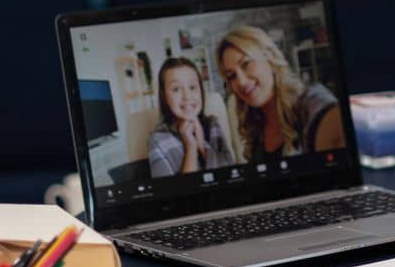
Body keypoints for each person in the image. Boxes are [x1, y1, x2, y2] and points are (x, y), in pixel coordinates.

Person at [216, 25, 344, 159]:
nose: (241, 82)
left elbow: (331, 120)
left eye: (246, 64)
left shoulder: (309, 102)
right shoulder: (254, 126)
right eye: (232, 76)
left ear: (270, 60)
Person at [147, 56, 236, 178]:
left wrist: (202, 146)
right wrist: (191, 148)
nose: (187, 96)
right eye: (176, 89)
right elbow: (170, 195)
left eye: (192, 87)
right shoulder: (157, 140)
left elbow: (232, 177)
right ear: (164, 96)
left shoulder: (213, 126)